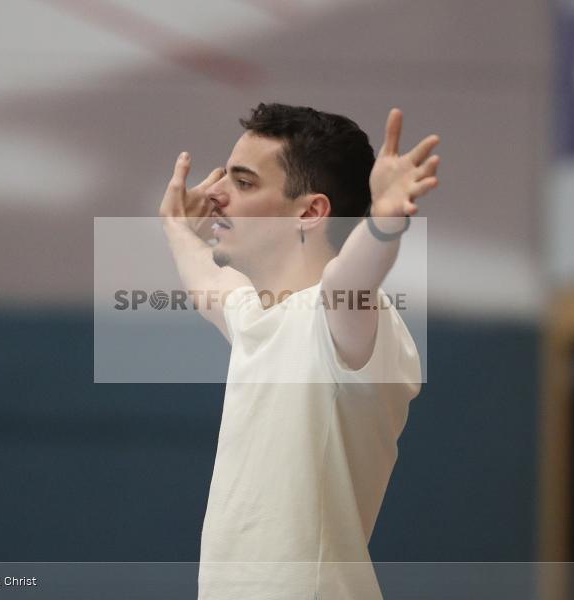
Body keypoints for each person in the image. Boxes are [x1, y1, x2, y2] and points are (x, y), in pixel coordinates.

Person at [158, 102, 440, 599]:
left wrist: (383, 224)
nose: (217, 194)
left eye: (243, 183)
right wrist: (176, 228)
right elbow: (206, 282)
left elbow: (353, 275)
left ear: (310, 212)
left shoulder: (344, 315)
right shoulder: (256, 320)